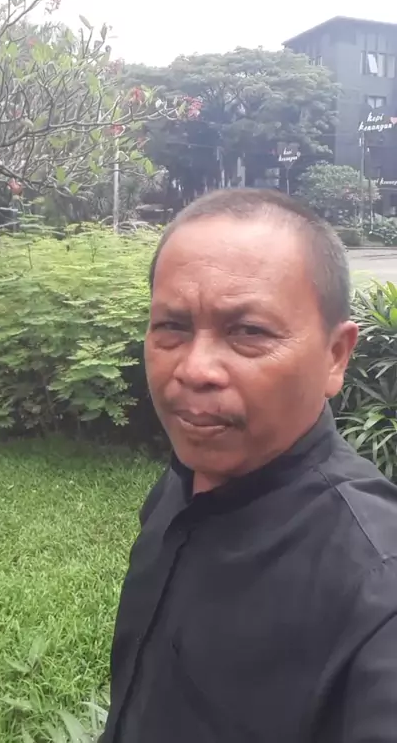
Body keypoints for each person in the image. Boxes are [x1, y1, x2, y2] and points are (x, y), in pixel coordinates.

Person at [101, 188, 397, 743]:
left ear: (336, 355)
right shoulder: (181, 486)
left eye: (249, 332)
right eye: (172, 326)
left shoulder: (376, 587)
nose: (195, 369)